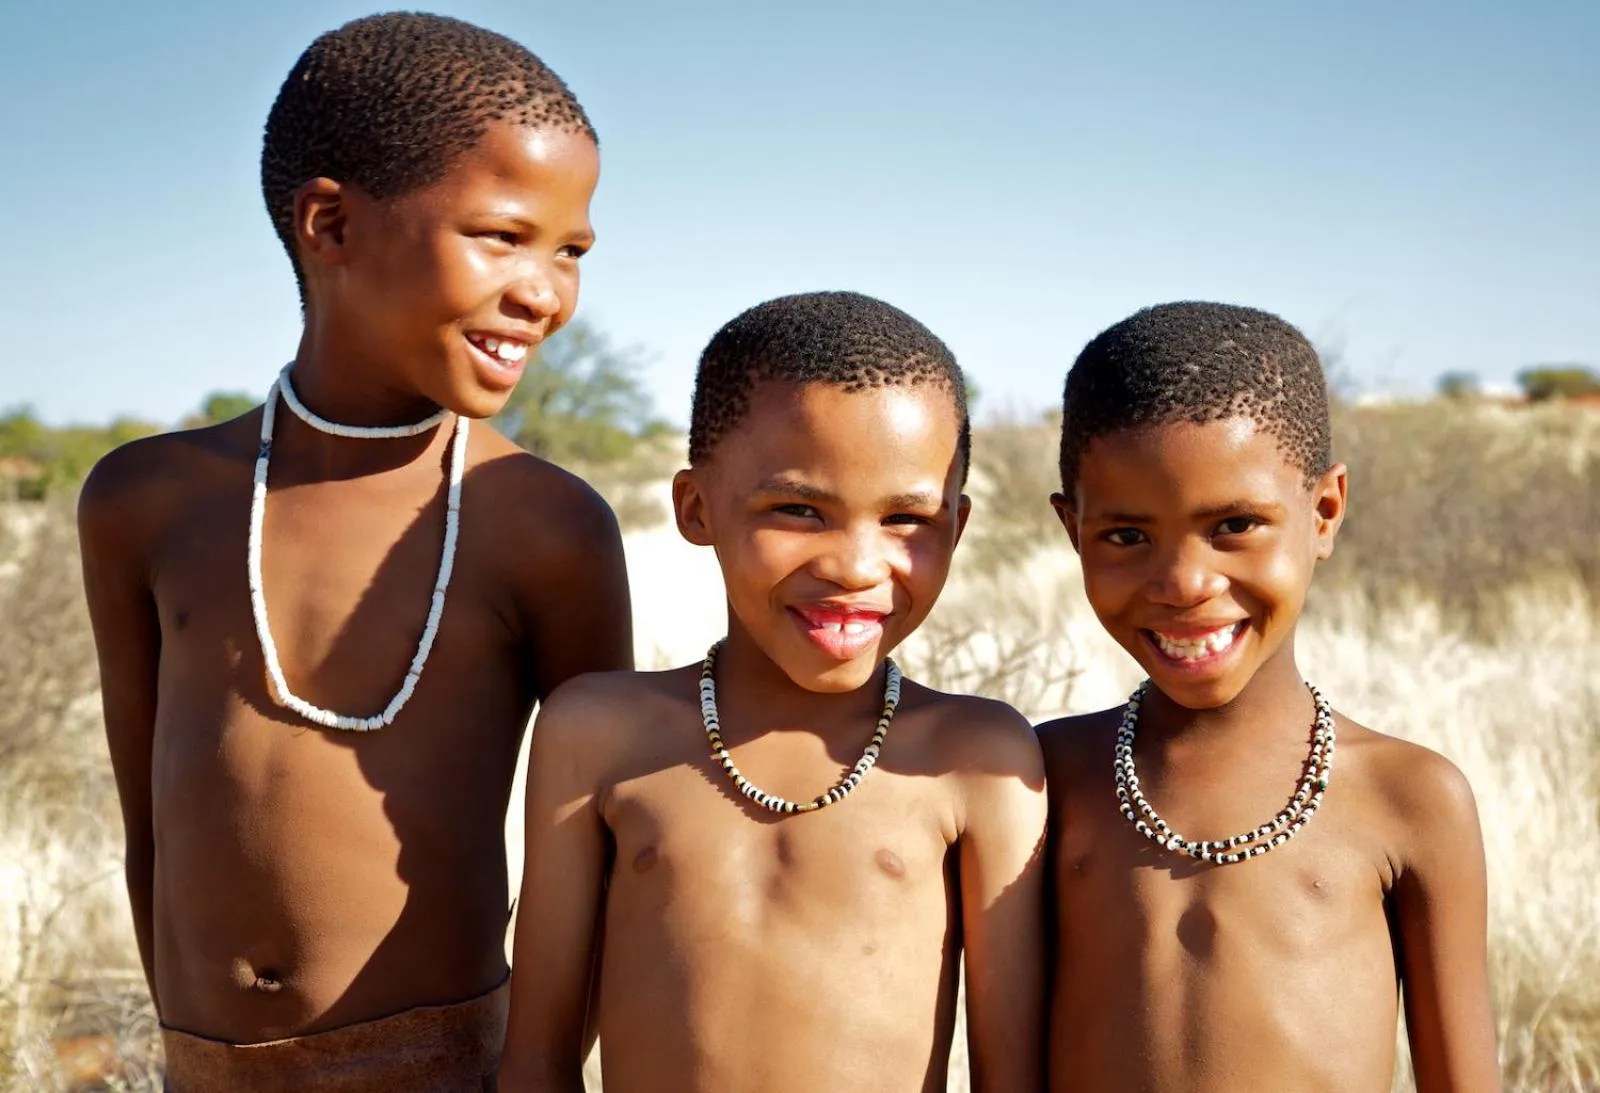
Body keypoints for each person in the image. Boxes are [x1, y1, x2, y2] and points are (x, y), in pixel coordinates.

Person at [76, 13, 631, 1090]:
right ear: (330, 225)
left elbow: (593, 859)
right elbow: (149, 825)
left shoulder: (542, 524)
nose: (546, 293)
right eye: (501, 235)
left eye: (570, 252)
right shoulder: (146, 502)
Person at [498, 291, 1048, 1092]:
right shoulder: (597, 735)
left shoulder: (977, 759)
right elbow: (536, 1062)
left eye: (906, 519)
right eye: (798, 509)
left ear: (957, 527)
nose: (857, 566)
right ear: (696, 508)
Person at [1040, 301, 1499, 1092]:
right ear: (1072, 529)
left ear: (1324, 512)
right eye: (1125, 535)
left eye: (1235, 525)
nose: (1184, 582)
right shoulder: (1045, 779)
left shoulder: (1409, 798)